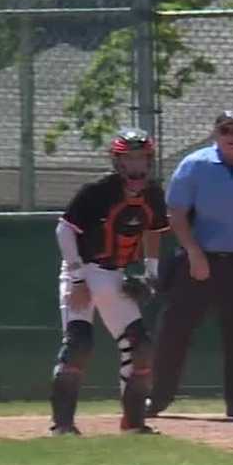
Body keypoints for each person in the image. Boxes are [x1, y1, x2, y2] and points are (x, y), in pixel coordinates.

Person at [147, 110, 233, 419]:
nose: (231, 135)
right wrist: (194, 253)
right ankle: (155, 398)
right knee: (175, 331)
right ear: (215, 134)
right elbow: (176, 214)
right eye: (225, 129)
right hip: (198, 260)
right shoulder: (195, 165)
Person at [50, 128, 168, 435]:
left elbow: (154, 231)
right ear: (117, 163)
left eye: (141, 158)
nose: (136, 165)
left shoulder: (153, 194)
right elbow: (64, 232)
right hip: (83, 269)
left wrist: (150, 274)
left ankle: (133, 423)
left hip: (113, 273)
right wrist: (77, 280)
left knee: (140, 346)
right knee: (78, 344)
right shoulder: (97, 191)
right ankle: (62, 426)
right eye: (129, 158)